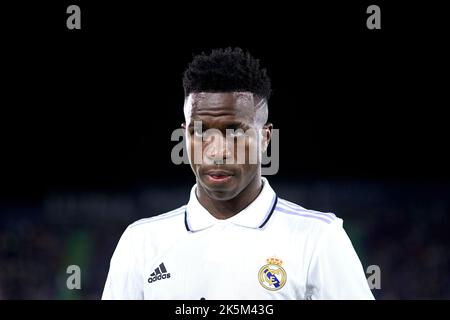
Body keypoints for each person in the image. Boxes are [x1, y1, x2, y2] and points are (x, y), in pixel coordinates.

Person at [102, 47, 374, 300]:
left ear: (266, 138)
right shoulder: (139, 244)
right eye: (200, 131)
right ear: (184, 134)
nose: (217, 151)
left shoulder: (318, 239)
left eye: (235, 131)